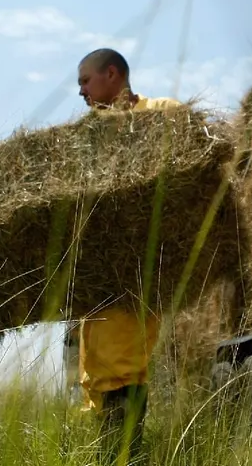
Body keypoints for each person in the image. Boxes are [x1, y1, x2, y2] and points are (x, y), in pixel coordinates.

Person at [70, 47, 182, 463]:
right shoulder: (84, 139)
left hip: (136, 274)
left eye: (85, 80)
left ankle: (125, 455)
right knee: (97, 368)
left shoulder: (161, 113)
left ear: (112, 74)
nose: (80, 91)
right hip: (97, 284)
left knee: (122, 366)